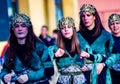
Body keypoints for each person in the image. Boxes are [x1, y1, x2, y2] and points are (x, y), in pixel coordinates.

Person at [0, 13, 54, 84]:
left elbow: (49, 70)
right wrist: (4, 76)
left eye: (23, 26)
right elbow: (5, 69)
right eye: (16, 26)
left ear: (28, 28)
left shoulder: (40, 47)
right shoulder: (9, 51)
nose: (20, 29)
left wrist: (29, 76)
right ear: (13, 30)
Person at [77, 4, 114, 84]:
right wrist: (78, 64)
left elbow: (113, 56)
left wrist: (104, 64)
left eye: (88, 15)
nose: (85, 18)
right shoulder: (77, 36)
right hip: (82, 76)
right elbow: (72, 54)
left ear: (94, 17)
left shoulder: (106, 35)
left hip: (100, 74)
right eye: (83, 16)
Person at [48, 17, 89, 84]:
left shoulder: (83, 46)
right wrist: (55, 56)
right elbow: (44, 64)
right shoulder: (54, 48)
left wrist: (87, 65)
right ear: (60, 30)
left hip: (80, 81)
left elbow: (94, 61)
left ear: (73, 29)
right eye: (63, 27)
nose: (66, 29)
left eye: (69, 27)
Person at [97, 14, 120, 84]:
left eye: (117, 23)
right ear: (109, 26)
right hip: (112, 75)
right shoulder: (106, 40)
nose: (115, 26)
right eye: (112, 24)